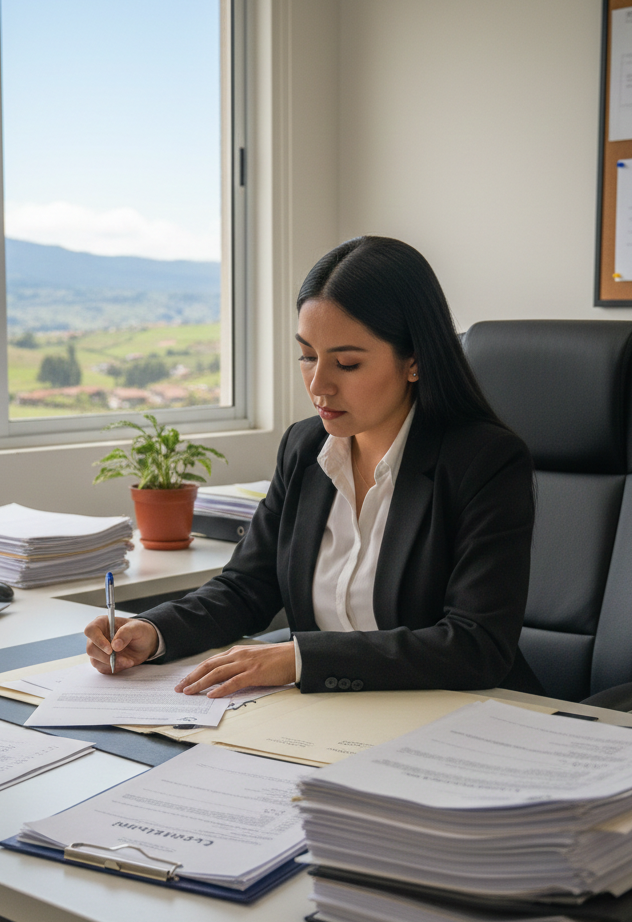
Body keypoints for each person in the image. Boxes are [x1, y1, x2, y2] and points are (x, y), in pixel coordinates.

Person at [84, 236, 542, 698]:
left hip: (458, 718)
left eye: (346, 363)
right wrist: (152, 631)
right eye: (307, 356)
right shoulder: (305, 448)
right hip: (328, 719)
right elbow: (248, 586)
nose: (319, 384)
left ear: (414, 362)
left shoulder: (485, 462)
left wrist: (298, 659)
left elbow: (475, 645)